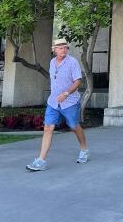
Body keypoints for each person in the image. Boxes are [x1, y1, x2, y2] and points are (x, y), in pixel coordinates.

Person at [26, 38, 89, 171]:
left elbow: (78, 81)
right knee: (48, 128)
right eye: (60, 48)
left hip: (70, 102)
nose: (63, 50)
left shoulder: (72, 62)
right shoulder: (52, 62)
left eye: (65, 47)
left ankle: (84, 150)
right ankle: (41, 161)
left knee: (73, 126)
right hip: (53, 102)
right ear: (54, 50)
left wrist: (66, 93)